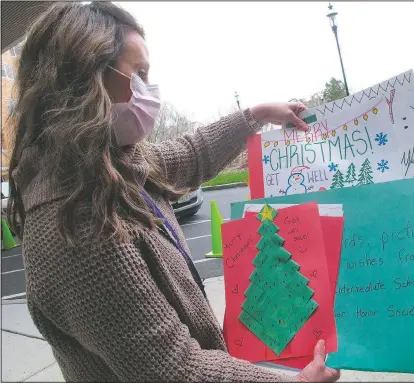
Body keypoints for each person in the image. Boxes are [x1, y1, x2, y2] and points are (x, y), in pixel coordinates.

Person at [7, 2, 340, 382]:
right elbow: (175, 370)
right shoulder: (79, 225)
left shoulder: (107, 166)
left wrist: (257, 115)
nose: (150, 91)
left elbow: (191, 153)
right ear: (87, 78)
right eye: (140, 74)